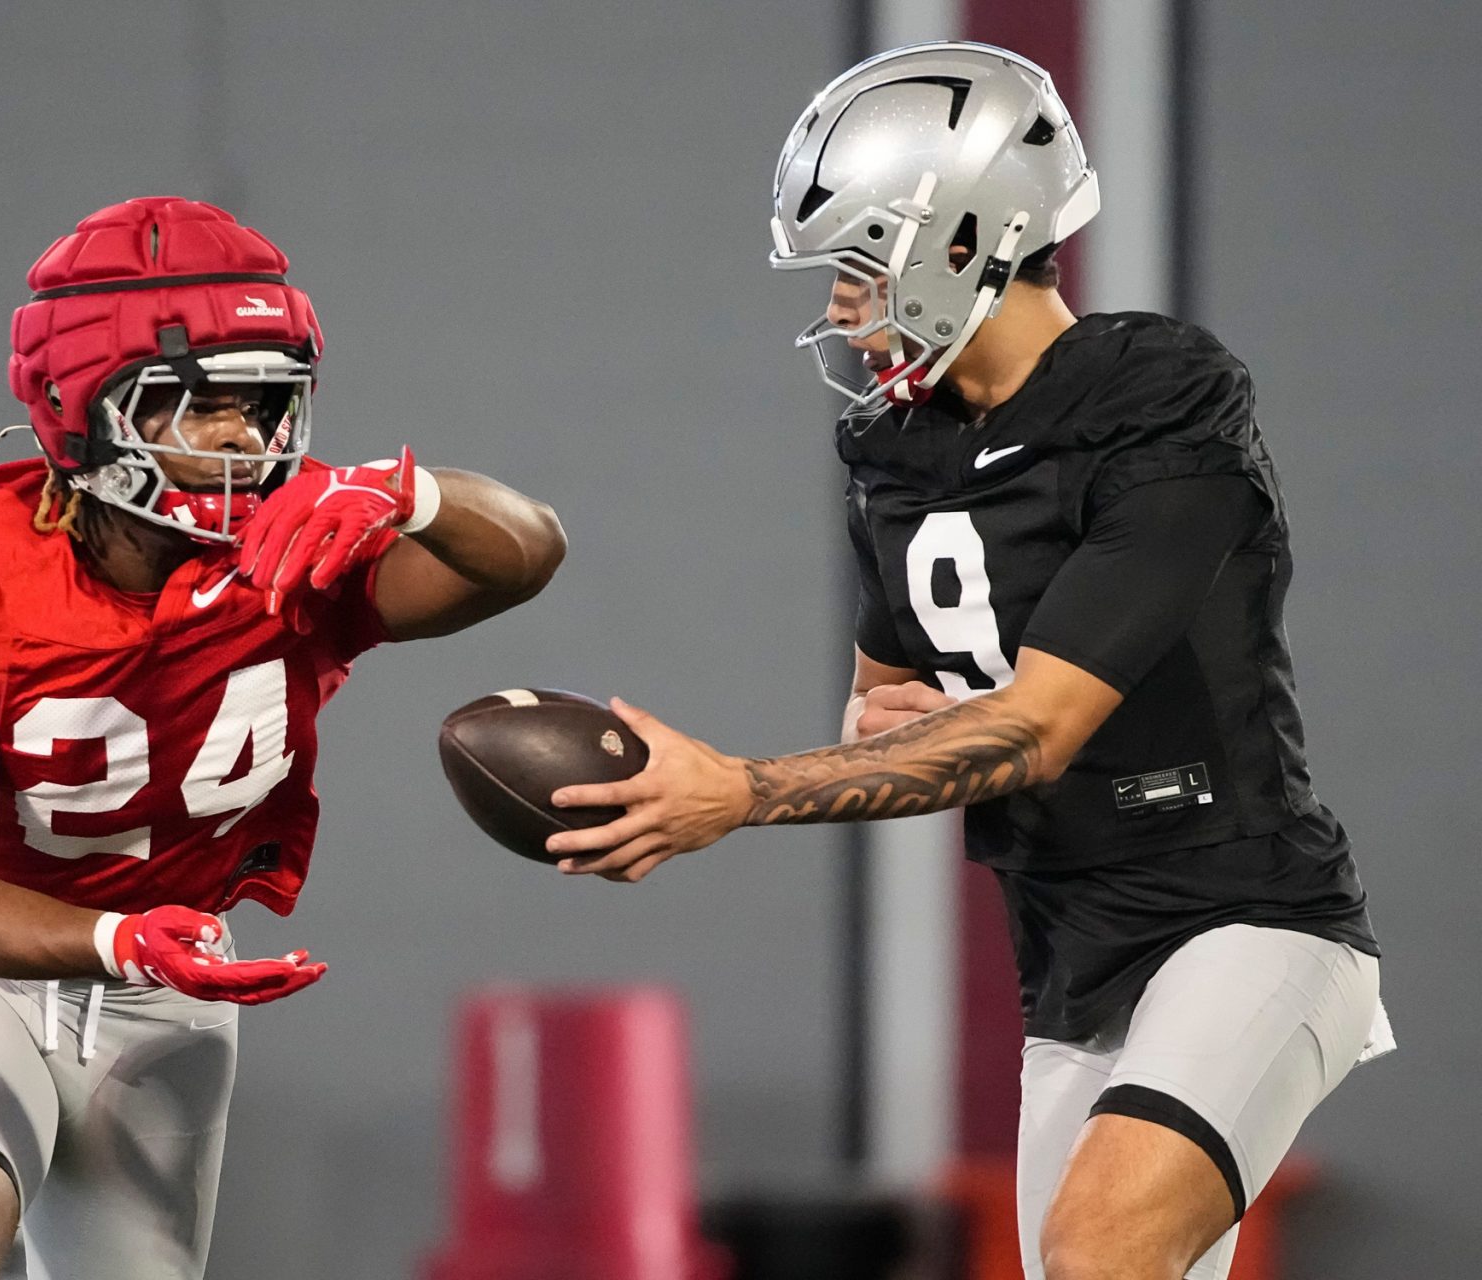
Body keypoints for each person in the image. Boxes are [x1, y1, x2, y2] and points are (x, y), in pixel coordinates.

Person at [544, 43, 1388, 1280]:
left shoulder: (1157, 394)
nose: (838, 303)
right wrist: (884, 745)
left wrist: (739, 790)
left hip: (1247, 914)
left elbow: (1037, 727)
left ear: (966, 239)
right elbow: (880, 711)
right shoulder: (894, 449)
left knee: (1099, 1248)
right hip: (1070, 949)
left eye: (857, 261)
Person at [0, 196, 566, 1279]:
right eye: (197, 406)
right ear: (76, 405)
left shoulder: (303, 540)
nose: (248, 442)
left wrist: (412, 492)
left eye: (267, 406)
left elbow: (525, 553)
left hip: (172, 979)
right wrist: (116, 937)